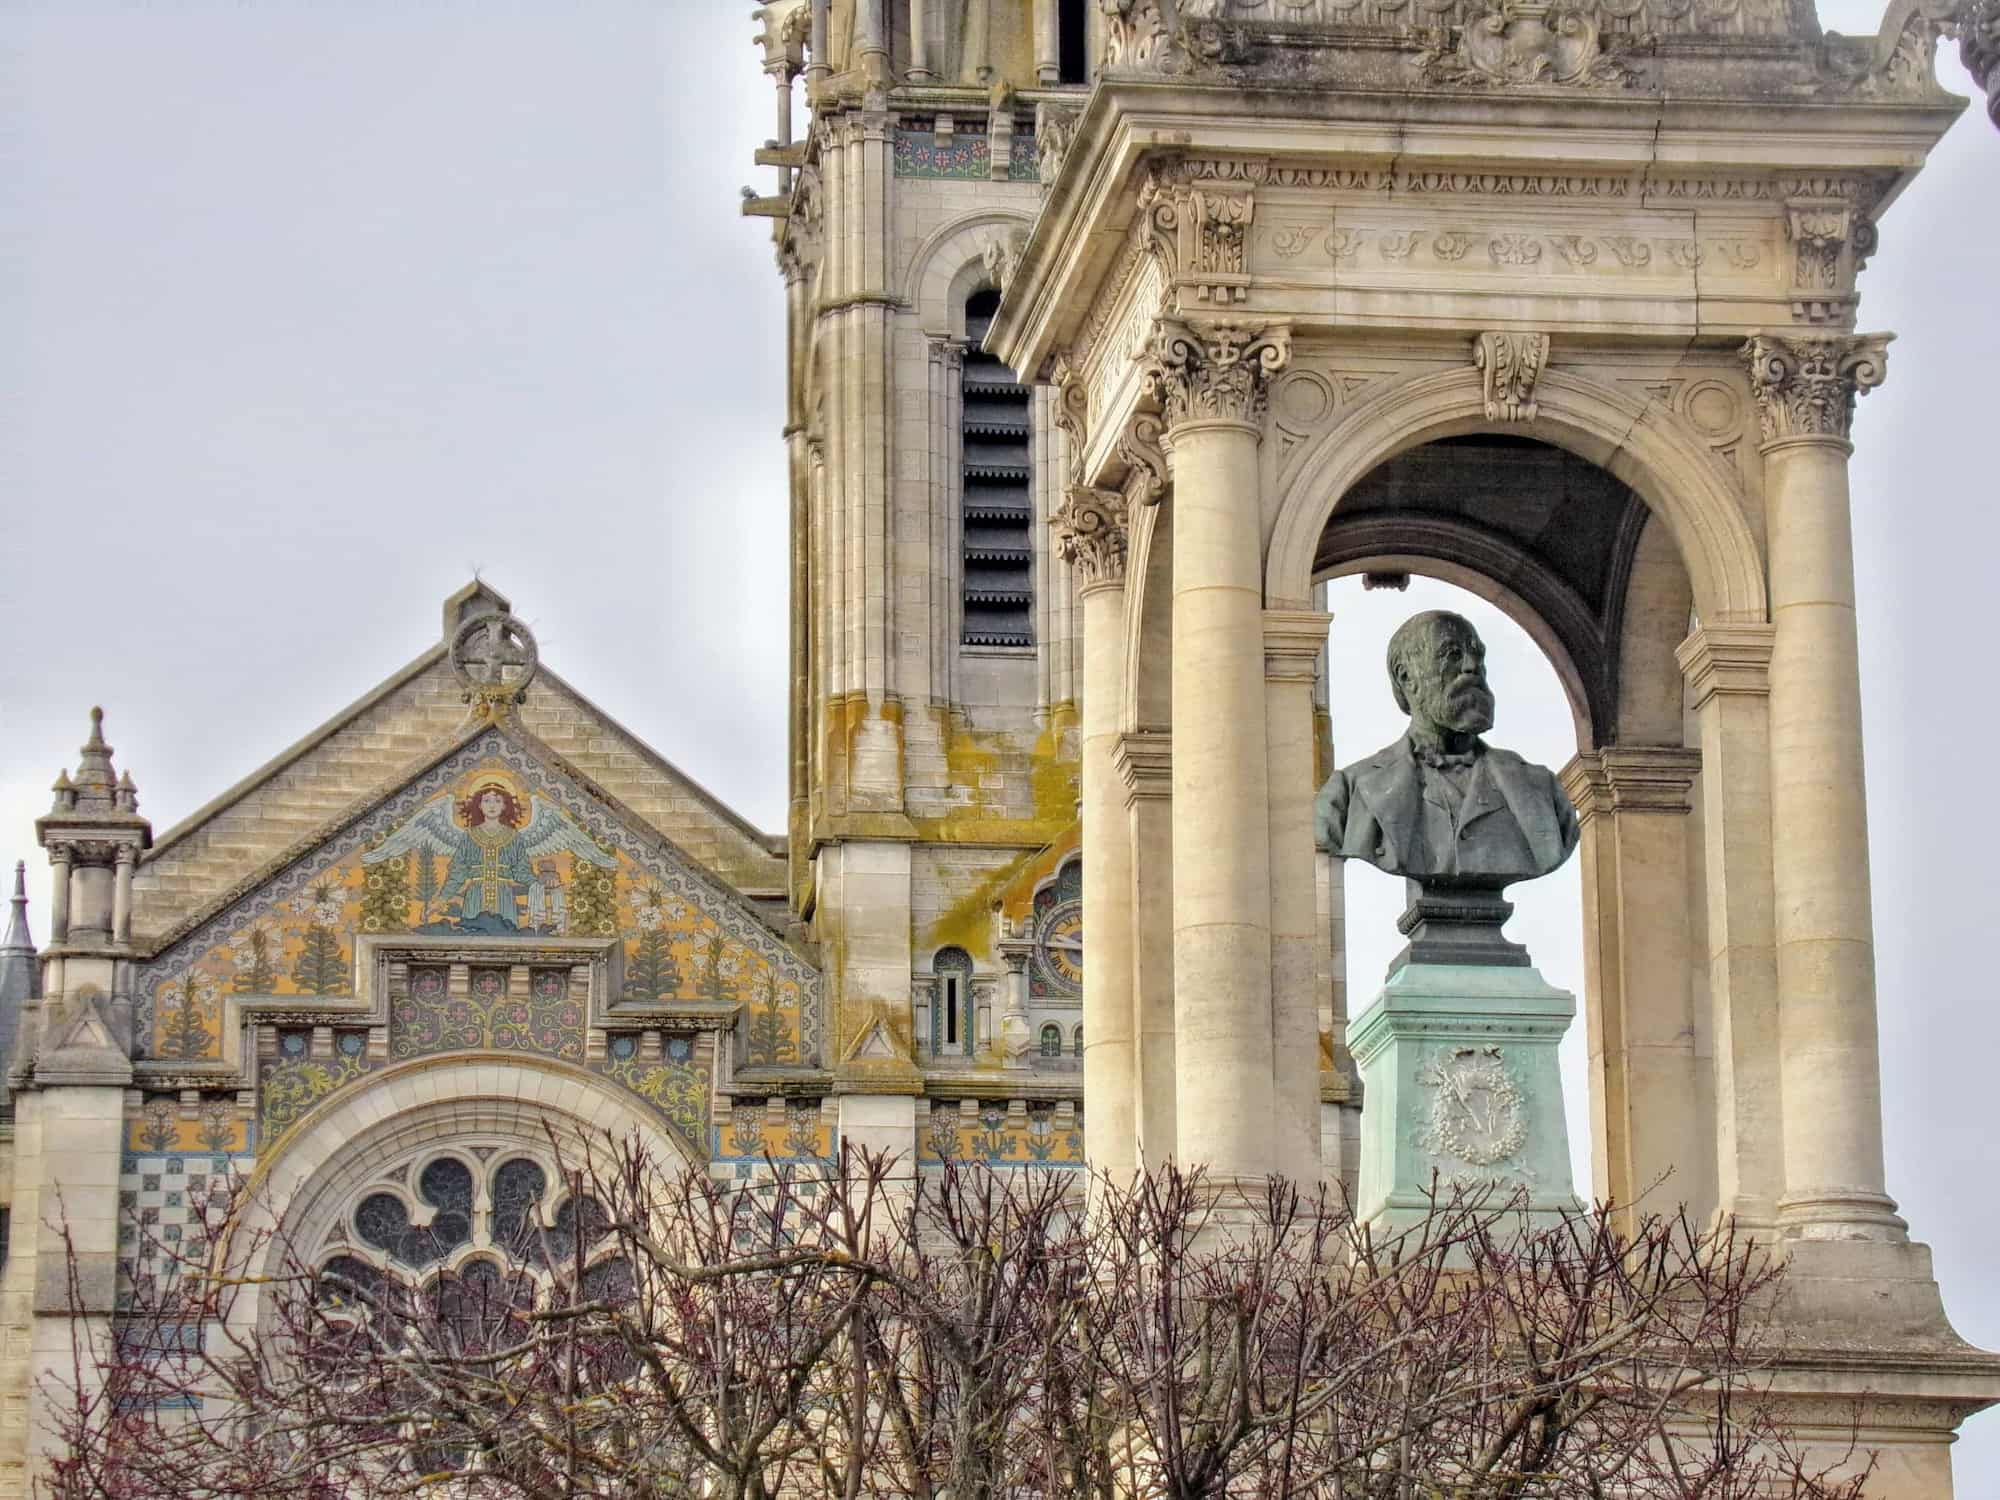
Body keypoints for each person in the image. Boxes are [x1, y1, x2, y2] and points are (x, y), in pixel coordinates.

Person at [1314, 610, 1577, 884]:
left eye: (1478, 655)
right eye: (1452, 654)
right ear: (1406, 677)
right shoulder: (1349, 791)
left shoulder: (1541, 789)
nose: (1471, 666)